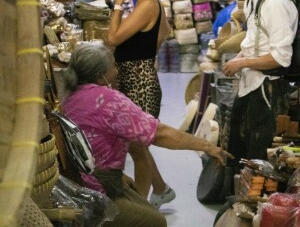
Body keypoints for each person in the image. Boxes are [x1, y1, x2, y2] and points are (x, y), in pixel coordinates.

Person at [61, 43, 233, 226]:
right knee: (156, 222)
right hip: (97, 189)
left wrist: (117, 175)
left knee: (142, 197)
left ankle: (156, 190)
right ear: (100, 74)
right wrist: (208, 147)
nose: (116, 70)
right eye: (112, 66)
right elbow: (160, 134)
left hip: (83, 179)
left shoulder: (70, 97)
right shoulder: (107, 100)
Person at [107, 0, 173, 209]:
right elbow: (164, 34)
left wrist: (118, 5)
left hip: (139, 84)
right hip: (137, 78)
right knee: (138, 145)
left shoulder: (147, 4)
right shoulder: (150, 3)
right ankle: (159, 190)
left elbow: (113, 38)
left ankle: (143, 206)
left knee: (137, 147)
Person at [222, 0, 298, 171]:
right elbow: (255, 40)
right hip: (251, 84)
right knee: (237, 144)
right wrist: (239, 59)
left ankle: (254, 204)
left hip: (268, 89)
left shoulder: (277, 3)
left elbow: (281, 58)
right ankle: (236, 200)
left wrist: (243, 62)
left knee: (257, 154)